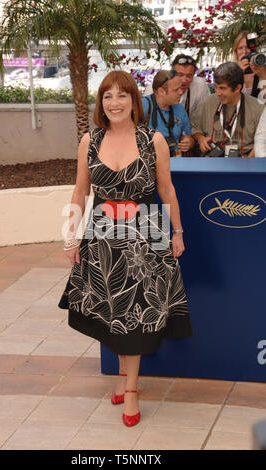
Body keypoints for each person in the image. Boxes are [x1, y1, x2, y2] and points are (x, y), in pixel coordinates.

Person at [58, 70, 192, 427]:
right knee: (111, 312)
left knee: (135, 314)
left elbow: (167, 192)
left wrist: (177, 232)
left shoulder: (154, 141)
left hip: (146, 234)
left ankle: (131, 389)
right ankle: (122, 378)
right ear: (101, 103)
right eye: (107, 96)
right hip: (101, 234)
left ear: (135, 101)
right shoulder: (90, 140)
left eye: (122, 95)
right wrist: (70, 235)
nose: (114, 103)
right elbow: (79, 192)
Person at [190, 62, 264, 158]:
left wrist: (248, 164)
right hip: (213, 161)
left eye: (222, 88)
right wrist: (201, 139)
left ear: (237, 88)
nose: (217, 93)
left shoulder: (258, 108)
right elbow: (194, 128)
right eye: (216, 87)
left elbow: (262, 141)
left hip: (245, 161)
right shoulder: (208, 102)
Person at [142, 69, 194, 156]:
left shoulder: (180, 109)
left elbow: (189, 138)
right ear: (161, 91)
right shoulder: (143, 106)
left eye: (181, 88)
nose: (181, 92)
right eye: (176, 90)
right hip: (150, 162)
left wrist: (189, 143)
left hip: (176, 161)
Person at [144, 54, 210, 118]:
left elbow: (205, 114)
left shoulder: (199, 86)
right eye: (180, 75)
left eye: (189, 76)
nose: (184, 80)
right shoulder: (154, 89)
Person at [232, 31, 264, 99]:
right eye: (240, 48)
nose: (244, 52)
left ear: (254, 49)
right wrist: (238, 74)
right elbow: (229, 99)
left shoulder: (263, 71)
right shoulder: (230, 73)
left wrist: (262, 76)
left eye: (247, 47)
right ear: (236, 51)